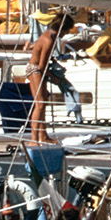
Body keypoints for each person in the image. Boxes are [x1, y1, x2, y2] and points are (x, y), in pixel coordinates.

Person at [27, 9, 65, 143]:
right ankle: (33, 139)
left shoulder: (46, 34)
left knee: (42, 102)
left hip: (33, 68)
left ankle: (43, 136)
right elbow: (42, 65)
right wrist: (53, 77)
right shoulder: (49, 40)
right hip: (36, 70)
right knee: (40, 104)